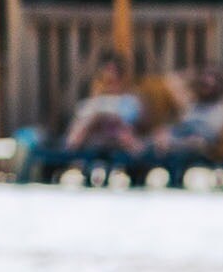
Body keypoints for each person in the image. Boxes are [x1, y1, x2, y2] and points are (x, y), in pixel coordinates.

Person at [16, 51, 149, 182]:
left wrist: (111, 119)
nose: (109, 79)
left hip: (119, 141)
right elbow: (77, 127)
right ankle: (69, 155)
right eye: (105, 77)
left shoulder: (130, 102)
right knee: (91, 121)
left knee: (117, 128)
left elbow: (136, 125)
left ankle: (74, 154)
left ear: (122, 79)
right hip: (91, 141)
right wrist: (97, 115)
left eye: (114, 76)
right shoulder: (90, 103)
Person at [135, 64, 223, 185]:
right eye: (205, 81)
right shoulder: (190, 104)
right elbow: (172, 79)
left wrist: (217, 73)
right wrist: (197, 75)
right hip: (178, 135)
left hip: (198, 144)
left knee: (179, 149)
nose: (208, 83)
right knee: (155, 139)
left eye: (213, 81)